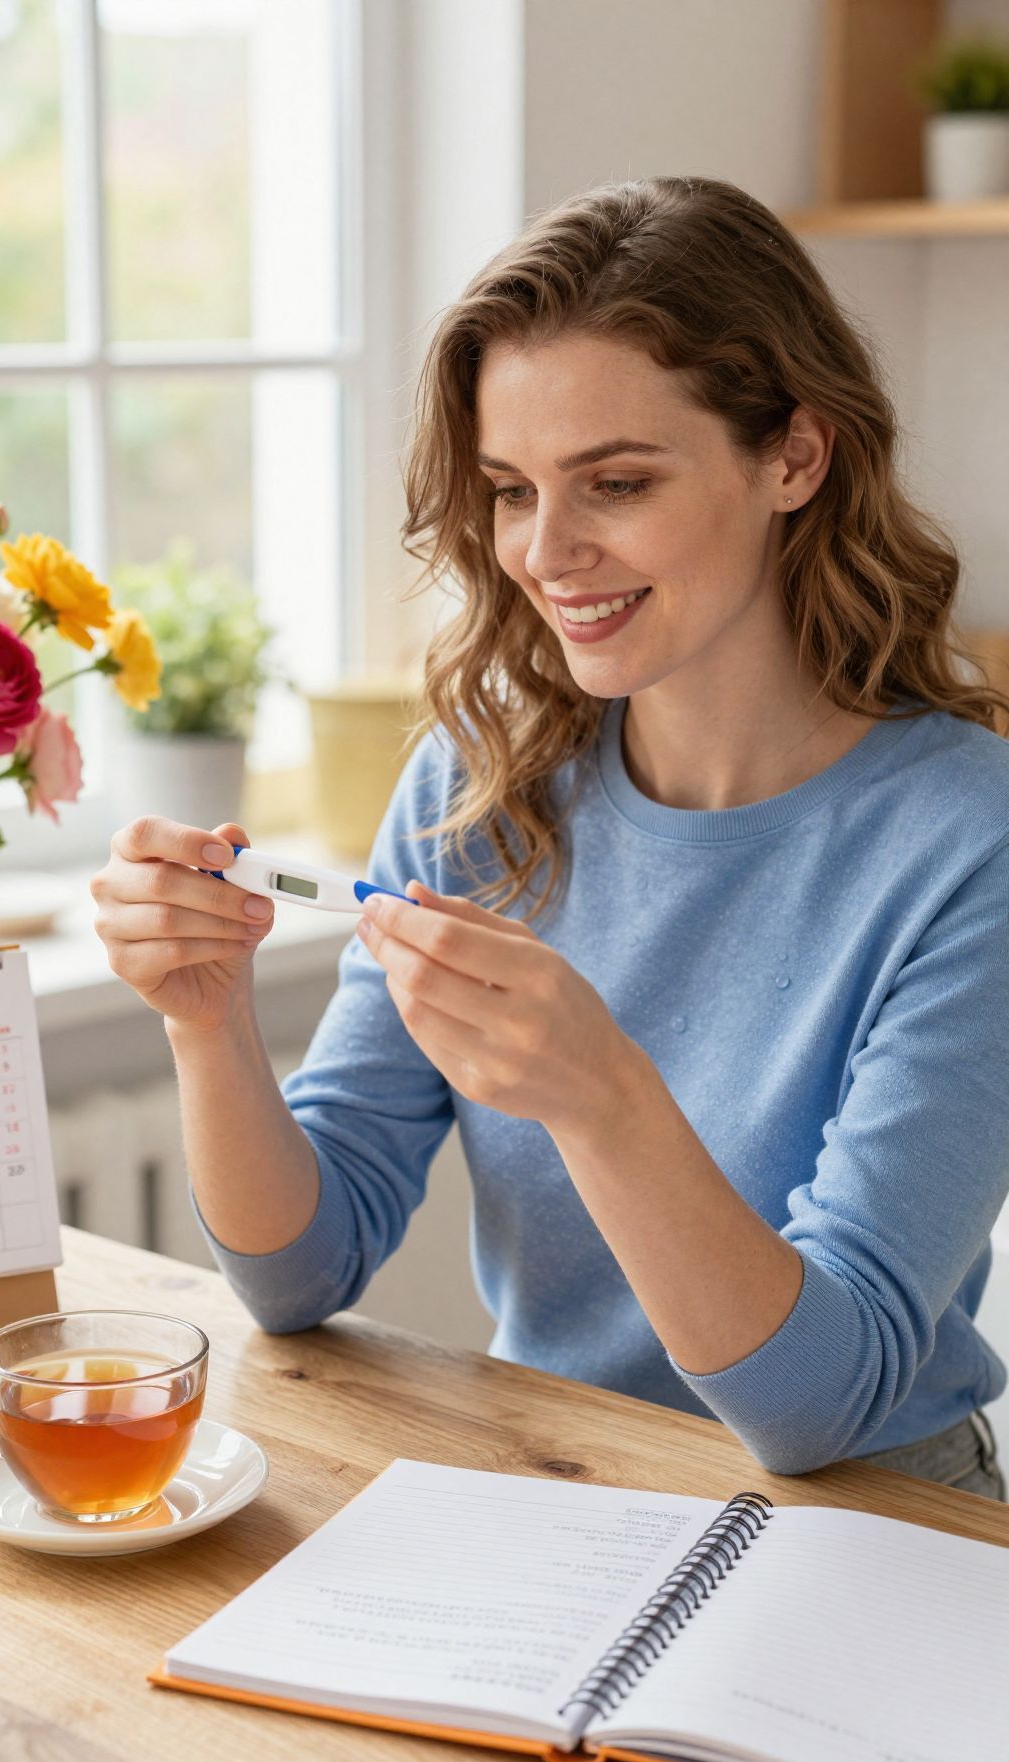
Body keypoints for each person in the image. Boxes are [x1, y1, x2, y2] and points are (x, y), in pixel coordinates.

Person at [90, 176, 1009, 1497]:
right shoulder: (481, 782)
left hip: (880, 1535)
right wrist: (205, 1022)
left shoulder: (969, 841)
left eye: (617, 483)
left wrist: (603, 1097)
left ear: (795, 457)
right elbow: (300, 1271)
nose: (545, 551)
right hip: (562, 1501)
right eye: (511, 490)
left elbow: (820, 1406)